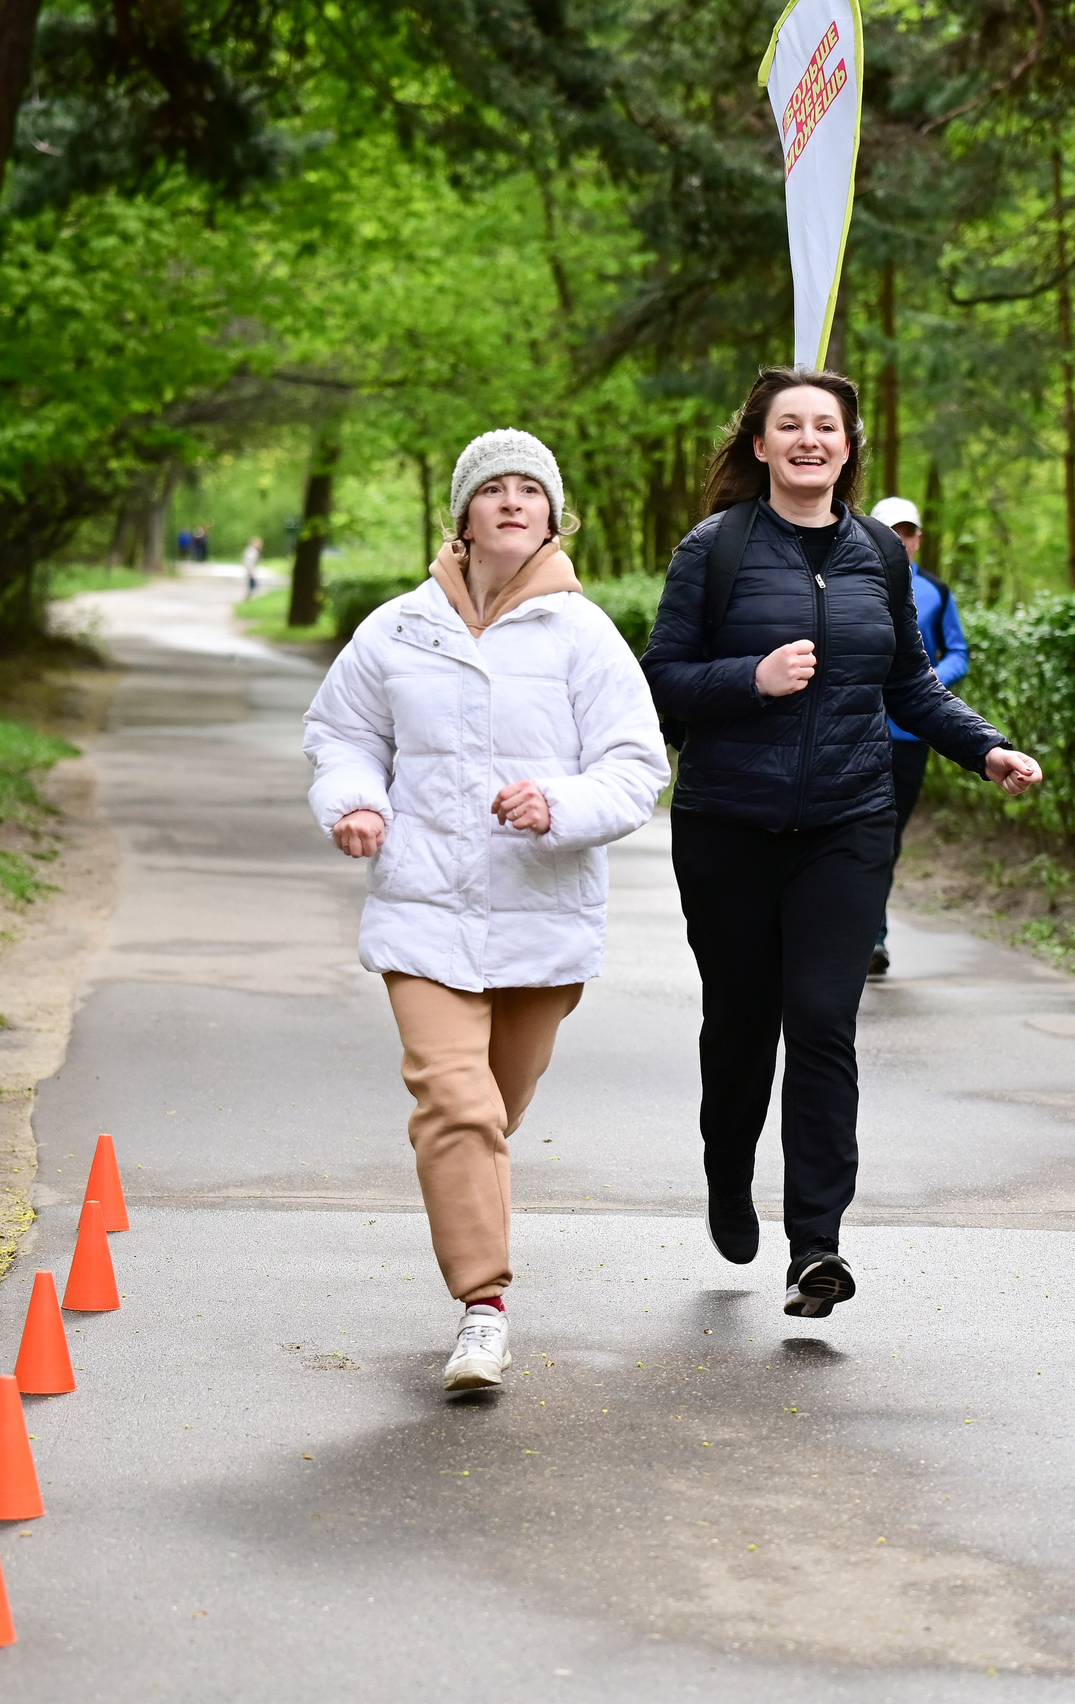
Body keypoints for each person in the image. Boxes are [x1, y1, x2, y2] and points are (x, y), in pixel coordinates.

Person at [641, 368, 1043, 1319]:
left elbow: (910, 683)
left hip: (848, 821)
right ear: (760, 445)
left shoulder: (877, 553)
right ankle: (728, 1176)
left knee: (822, 1019)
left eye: (828, 426)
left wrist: (983, 748)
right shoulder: (715, 549)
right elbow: (660, 682)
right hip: (729, 824)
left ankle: (815, 1244)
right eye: (791, 426)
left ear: (850, 447)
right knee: (742, 1025)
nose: (811, 439)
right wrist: (753, 677)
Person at [304, 430, 669, 1390]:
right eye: (492, 490)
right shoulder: (396, 629)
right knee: (455, 1101)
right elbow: (341, 734)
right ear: (461, 516)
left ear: (553, 517)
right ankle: (484, 1309)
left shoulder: (586, 637)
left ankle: (476, 1264)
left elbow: (637, 769)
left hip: (542, 920)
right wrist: (355, 802)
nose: (512, 502)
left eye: (530, 491)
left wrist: (559, 804)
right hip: (420, 909)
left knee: (494, 1112)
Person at [866, 494, 968, 978]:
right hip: (855, 731)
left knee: (886, 835)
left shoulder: (935, 591)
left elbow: (958, 653)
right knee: (858, 833)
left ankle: (873, 935)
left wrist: (924, 685)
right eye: (890, 531)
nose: (899, 541)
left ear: (918, 539)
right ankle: (863, 936)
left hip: (909, 735)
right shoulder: (850, 580)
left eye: (906, 533)